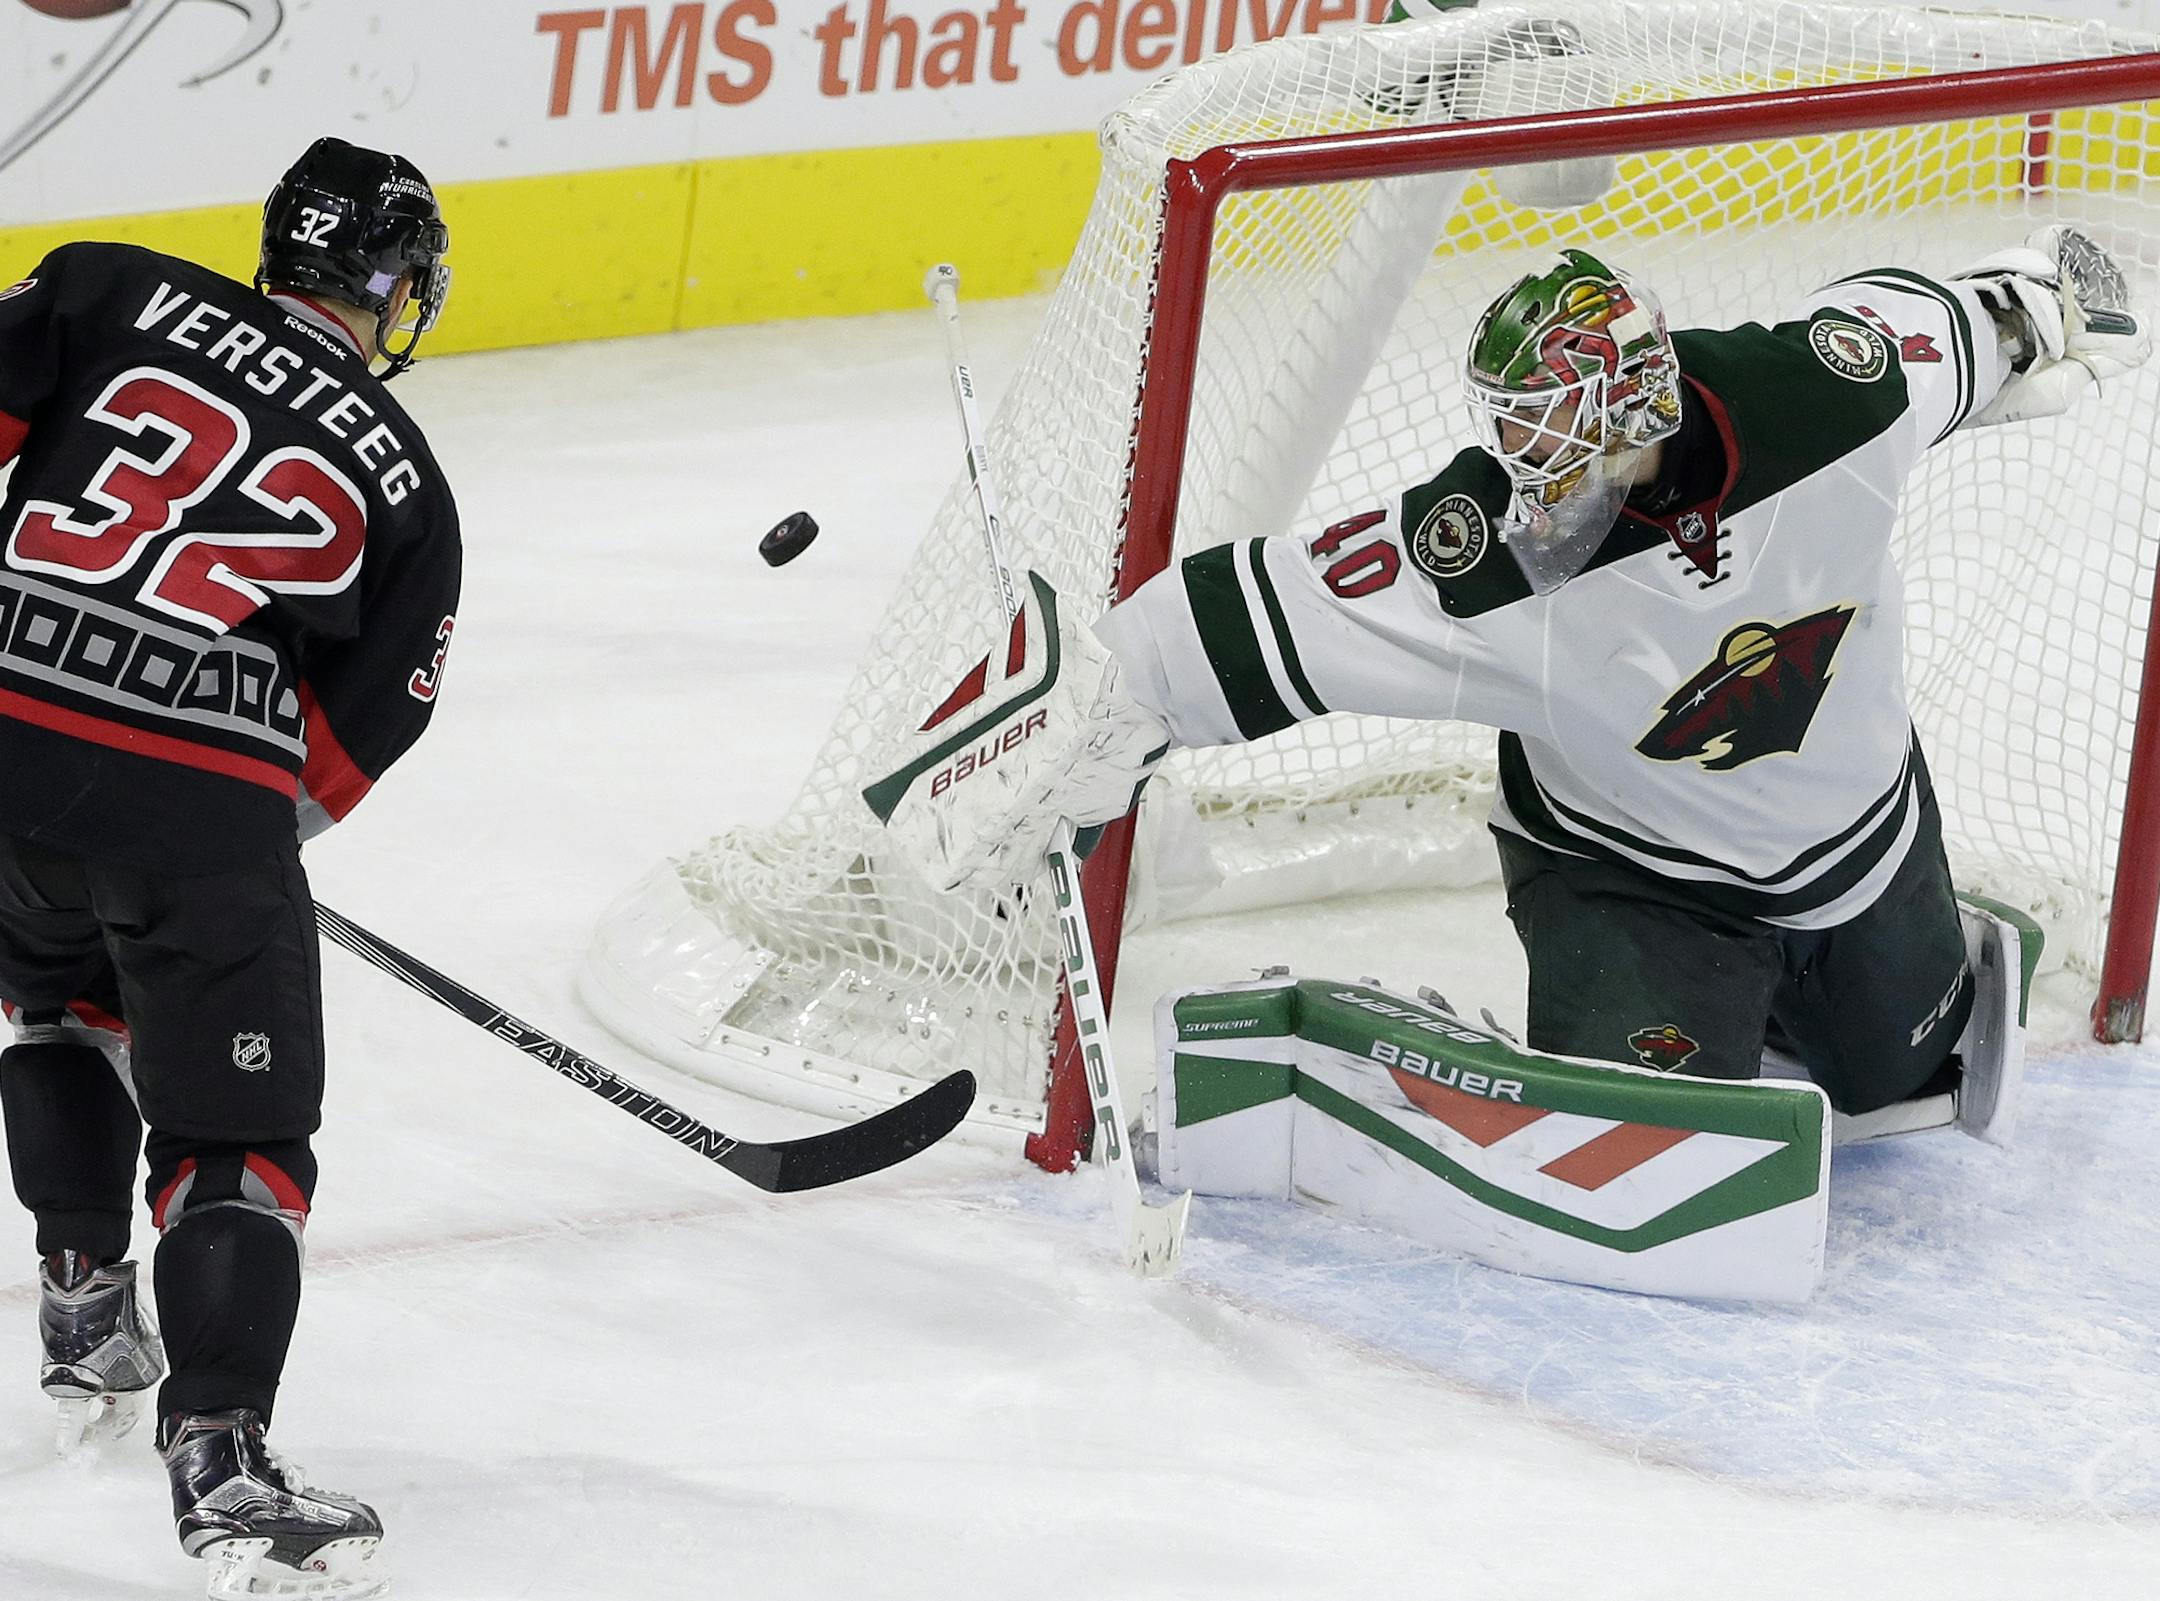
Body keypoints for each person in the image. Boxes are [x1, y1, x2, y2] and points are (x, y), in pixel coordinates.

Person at [881, 226, 2146, 1134]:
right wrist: (1102, 700)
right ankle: (1685, 1001)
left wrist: (2042, 300)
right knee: (1649, 1146)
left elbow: (1963, 320)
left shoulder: (1832, 396)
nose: (1521, 461)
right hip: (1631, 878)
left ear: (1638, 399)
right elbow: (1232, 616)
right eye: (1513, 429)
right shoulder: (1478, 559)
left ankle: (1869, 980)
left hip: (1859, 835)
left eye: (1548, 426)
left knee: (1903, 1095)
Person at [0, 135, 459, 1598]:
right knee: (235, 1147)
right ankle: (221, 1457)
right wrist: (235, 848)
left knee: (57, 1001)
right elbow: (355, 734)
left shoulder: (103, 288)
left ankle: (83, 1306)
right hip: (199, 813)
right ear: (393, 292)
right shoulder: (409, 484)